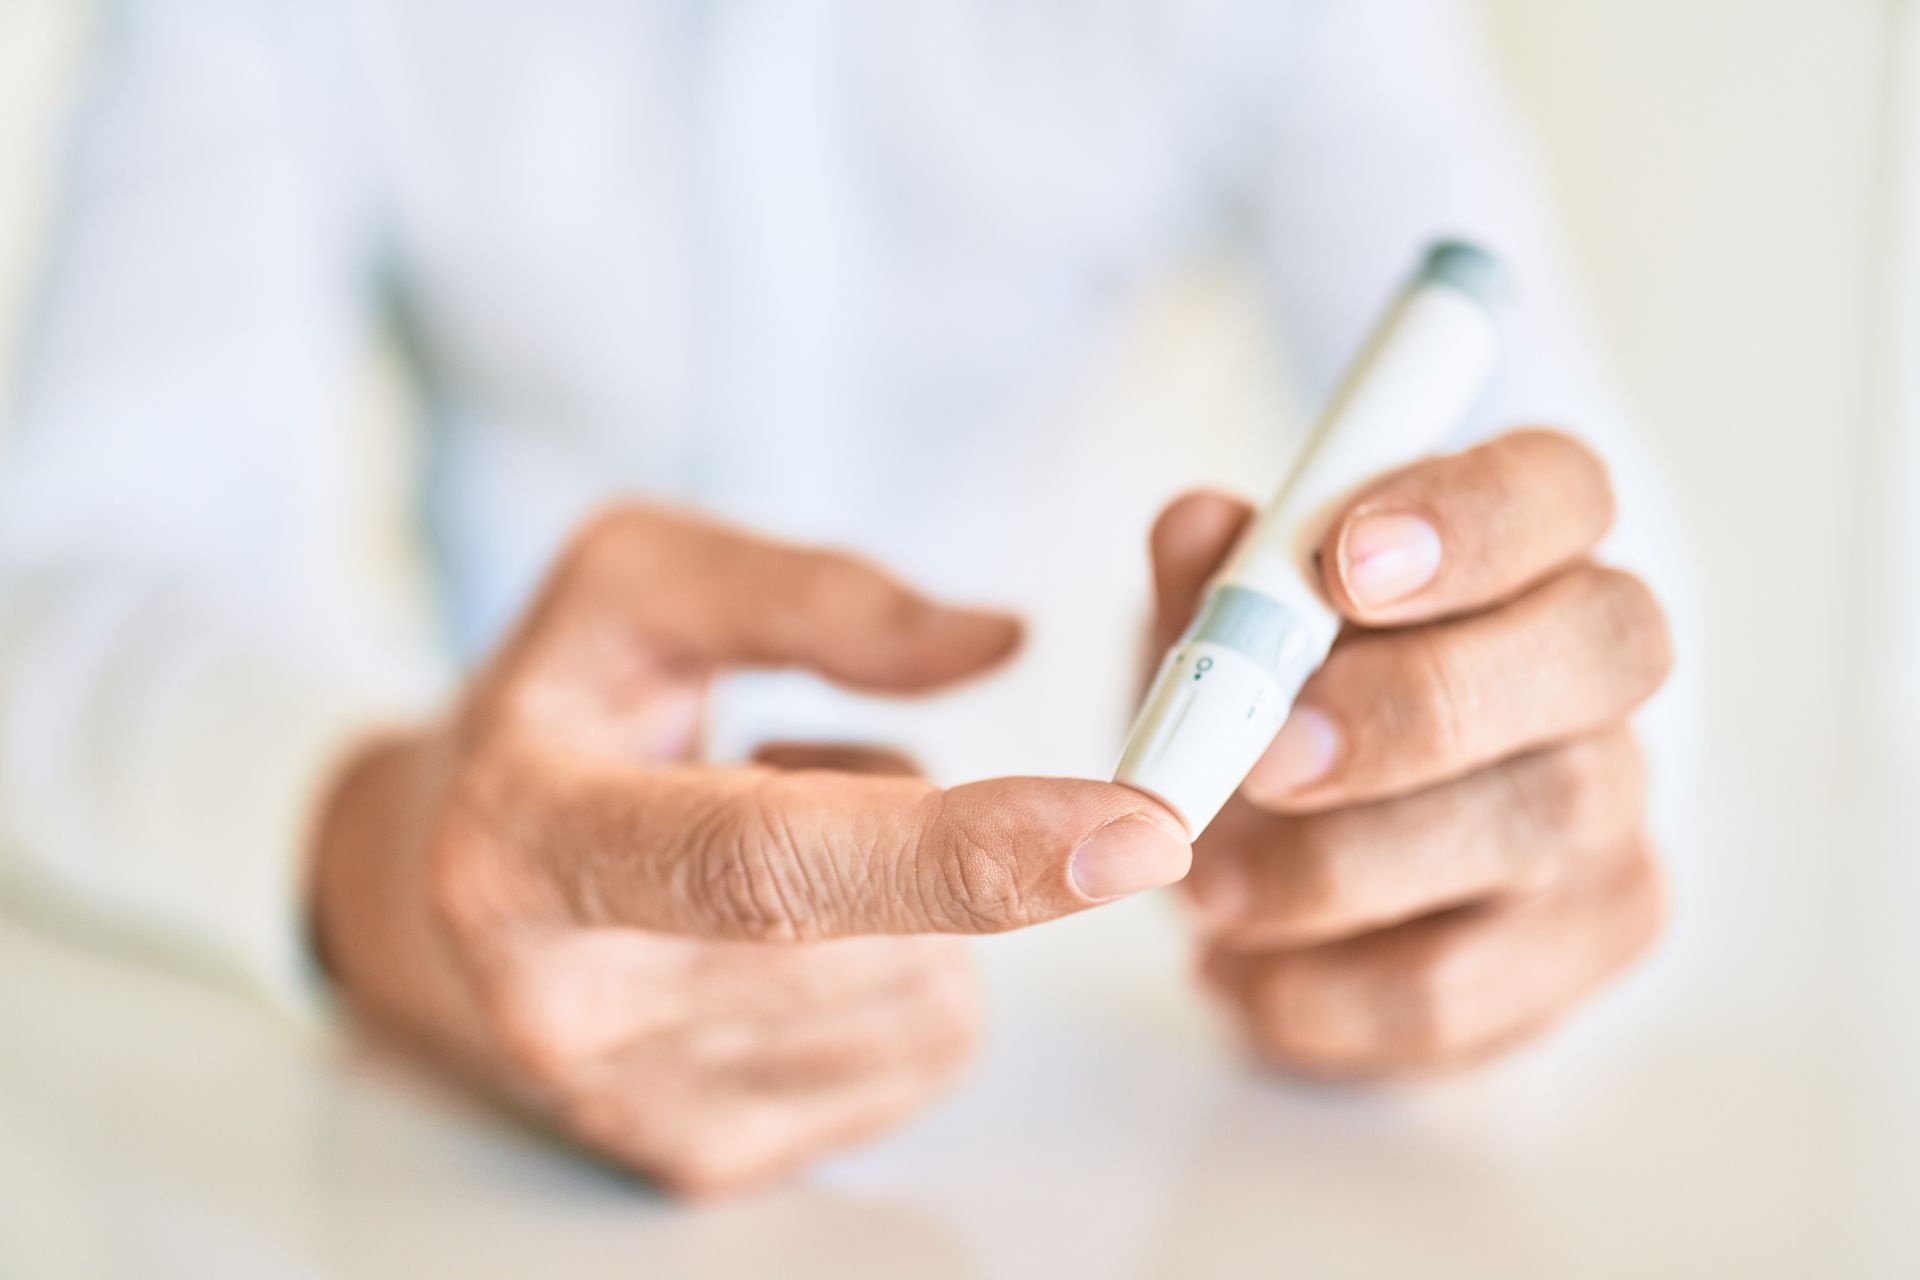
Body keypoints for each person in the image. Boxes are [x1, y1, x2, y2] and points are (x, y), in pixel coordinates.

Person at [0, 0, 1675, 1196]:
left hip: (1106, 1065)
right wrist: (387, 849)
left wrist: (1456, 794)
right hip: (469, 1089)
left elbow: (1596, 574)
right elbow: (63, 578)